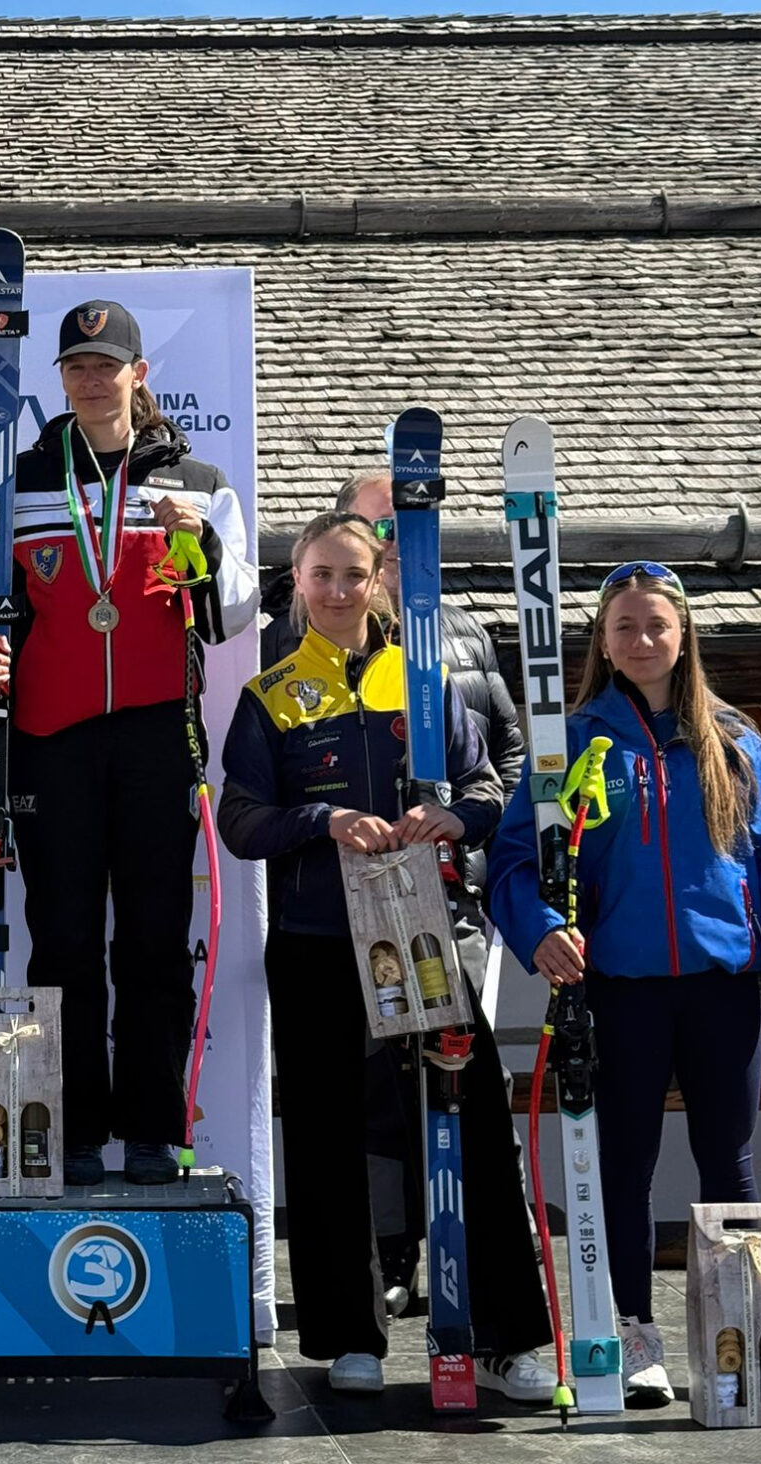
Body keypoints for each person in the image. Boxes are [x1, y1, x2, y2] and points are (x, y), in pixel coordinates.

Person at [218, 510, 553, 1398]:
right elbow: (239, 820)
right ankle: (348, 1337)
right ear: (297, 583)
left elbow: (489, 782)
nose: (337, 591)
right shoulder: (271, 693)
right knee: (327, 1135)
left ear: (377, 582)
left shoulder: (424, 677)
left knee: (470, 1123)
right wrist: (322, 820)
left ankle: (506, 1340)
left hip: (421, 929)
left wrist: (457, 815)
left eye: (352, 575)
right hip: (318, 939)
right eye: (320, 575)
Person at [0, 299, 257, 1186]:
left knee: (154, 939)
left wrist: (201, 546)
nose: (90, 379)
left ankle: (153, 1130)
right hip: (52, 739)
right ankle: (71, 1129)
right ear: (61, 380)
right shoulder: (20, 481)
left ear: (138, 375)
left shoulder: (198, 480)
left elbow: (233, 615)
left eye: (106, 365)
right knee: (63, 940)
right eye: (75, 367)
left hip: (158, 735)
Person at [489, 561, 761, 1406]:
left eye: (657, 625)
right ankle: (634, 1337)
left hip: (723, 986)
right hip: (620, 989)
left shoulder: (736, 741)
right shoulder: (572, 743)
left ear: (684, 637)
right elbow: (515, 861)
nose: (642, 639)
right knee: (625, 1166)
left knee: (729, 1164)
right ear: (604, 644)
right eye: (625, 627)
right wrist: (542, 929)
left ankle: (739, 1346)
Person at [265, 467, 530, 1316]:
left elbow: (499, 762)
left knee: (464, 1092)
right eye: (373, 530)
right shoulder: (281, 658)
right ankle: (379, 1277)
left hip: (440, 908)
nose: (384, 549)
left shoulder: (454, 641)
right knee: (357, 1106)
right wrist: (325, 821)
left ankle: (494, 1304)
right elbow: (249, 804)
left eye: (401, 530)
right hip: (328, 919)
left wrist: (461, 823)